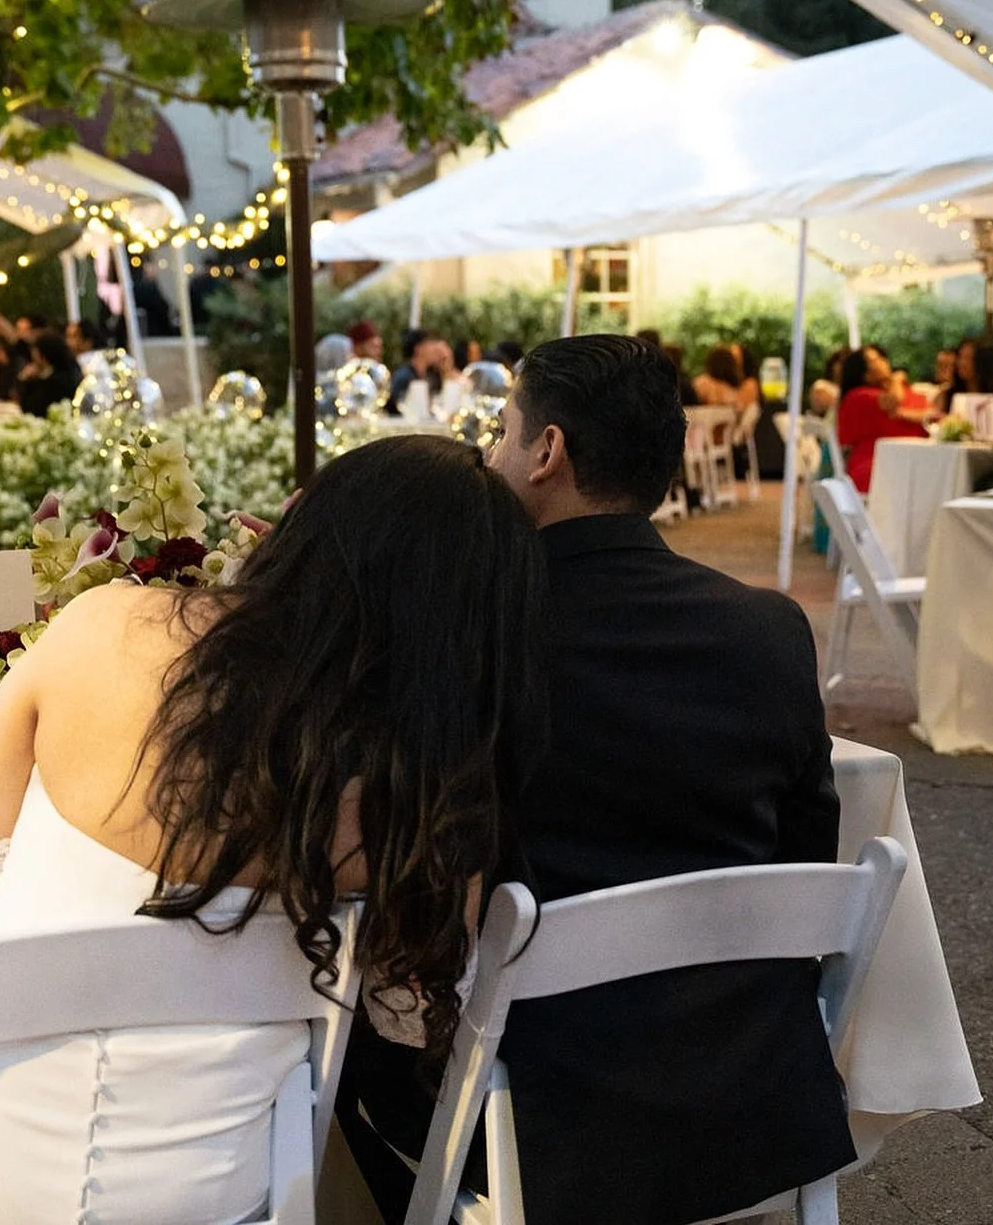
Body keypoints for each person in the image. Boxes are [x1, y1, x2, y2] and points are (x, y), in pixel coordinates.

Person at [0, 437, 548, 1225]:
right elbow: (408, 1014)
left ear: (311, 533)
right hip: (213, 1181)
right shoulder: (427, 799)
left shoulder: (103, 623)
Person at [340, 335, 852, 1225]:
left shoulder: (463, 644)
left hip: (528, 1119)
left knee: (328, 1042)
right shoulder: (769, 628)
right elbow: (807, 859)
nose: (493, 457)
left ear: (547, 453)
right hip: (750, 1100)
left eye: (502, 435)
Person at [836, 345, 927, 492]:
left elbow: (928, 413)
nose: (883, 361)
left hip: (907, 463)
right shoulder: (859, 396)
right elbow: (894, 400)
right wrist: (897, 378)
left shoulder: (888, 392)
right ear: (864, 373)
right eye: (875, 359)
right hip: (877, 467)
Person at [16, 332, 84, 418]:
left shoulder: (55, 381)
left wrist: (25, 380)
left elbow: (29, 409)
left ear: (43, 355)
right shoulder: (69, 371)